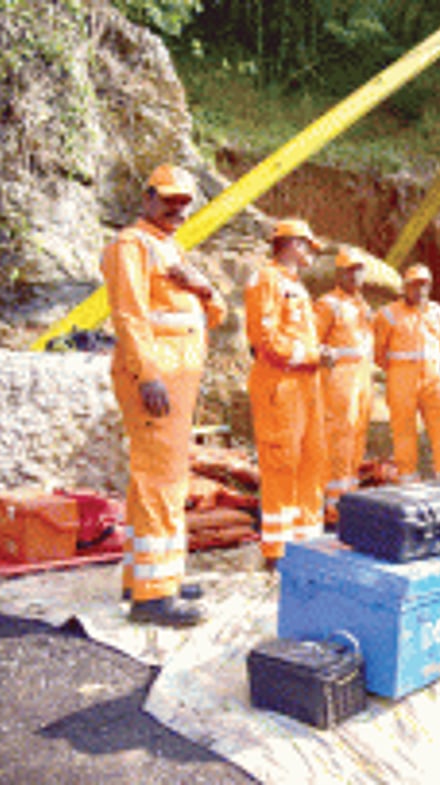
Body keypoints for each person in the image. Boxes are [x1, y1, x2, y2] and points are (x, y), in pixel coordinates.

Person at [103, 163, 226, 627]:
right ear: (147, 198)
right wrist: (148, 374)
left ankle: (152, 576)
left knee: (158, 477)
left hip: (177, 380)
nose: (178, 209)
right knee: (161, 480)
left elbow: (213, 316)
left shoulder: (169, 248)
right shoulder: (131, 246)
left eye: (185, 202)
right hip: (156, 381)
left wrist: (203, 287)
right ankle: (153, 597)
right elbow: (129, 315)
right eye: (169, 200)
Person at [245, 218, 328, 568]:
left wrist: (315, 356)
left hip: (305, 384)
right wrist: (312, 356)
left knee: (312, 460)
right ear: (293, 244)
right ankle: (277, 551)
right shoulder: (266, 279)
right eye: (308, 246)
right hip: (279, 385)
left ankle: (306, 542)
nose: (312, 254)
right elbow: (265, 340)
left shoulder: (296, 286)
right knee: (281, 464)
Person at [373, 263, 440, 479]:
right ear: (405, 287)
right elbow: (379, 351)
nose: (419, 290)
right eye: (414, 285)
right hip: (402, 378)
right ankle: (407, 477)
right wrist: (398, 370)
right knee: (404, 431)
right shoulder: (388, 314)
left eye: (424, 285)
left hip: (433, 377)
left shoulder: (437, 312)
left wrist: (433, 365)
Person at [315, 246, 375, 521]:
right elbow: (312, 340)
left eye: (358, 271)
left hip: (361, 377)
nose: (354, 276)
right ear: (338, 274)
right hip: (338, 378)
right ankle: (332, 504)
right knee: (338, 437)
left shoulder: (362, 307)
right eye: (349, 271)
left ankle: (349, 498)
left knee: (357, 436)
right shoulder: (328, 304)